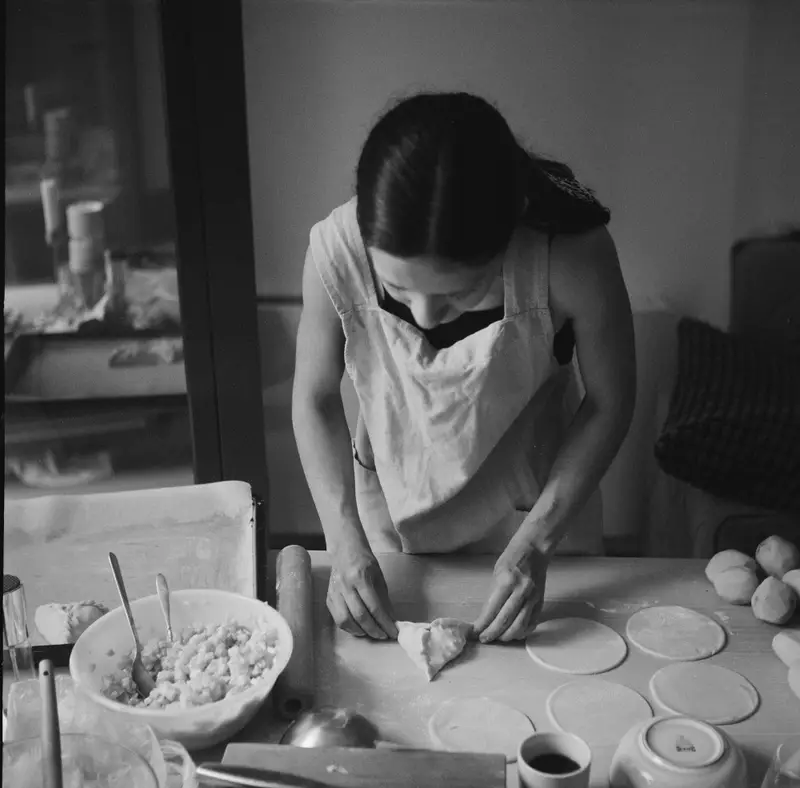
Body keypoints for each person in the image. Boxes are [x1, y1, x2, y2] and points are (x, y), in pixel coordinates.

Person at [292, 91, 636, 645]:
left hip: (536, 502)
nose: (423, 315)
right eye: (397, 290)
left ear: (508, 237)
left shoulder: (573, 258)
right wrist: (342, 538)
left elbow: (611, 400)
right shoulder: (334, 251)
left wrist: (535, 544)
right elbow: (315, 400)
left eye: (457, 294)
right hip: (396, 500)